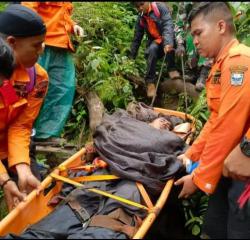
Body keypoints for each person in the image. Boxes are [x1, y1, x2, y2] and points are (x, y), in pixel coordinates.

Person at [174, 2, 250, 238]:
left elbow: (228, 127)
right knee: (213, 228)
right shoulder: (220, 66)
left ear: (220, 26)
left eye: (198, 33)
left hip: (244, 166)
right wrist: (192, 154)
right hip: (228, 165)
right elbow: (215, 120)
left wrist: (199, 178)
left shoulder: (239, 62)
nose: (194, 41)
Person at [0, 4, 48, 211]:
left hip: (10, 148)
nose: (42, 50)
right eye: (36, 45)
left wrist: (22, 167)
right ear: (12, 43)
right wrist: (4, 180)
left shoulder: (37, 78)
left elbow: (21, 125)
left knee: (31, 196)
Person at [21, 2, 84, 143]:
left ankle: (47, 133)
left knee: (63, 88)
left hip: (61, 44)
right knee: (30, 86)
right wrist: (33, 37)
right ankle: (22, 131)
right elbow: (27, 10)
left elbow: (61, 14)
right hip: (41, 42)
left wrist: (73, 26)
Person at [129, 2, 181, 98]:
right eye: (137, 7)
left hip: (166, 38)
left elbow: (168, 26)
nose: (140, 8)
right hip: (156, 42)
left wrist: (167, 43)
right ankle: (150, 83)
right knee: (152, 49)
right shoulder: (141, 18)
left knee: (169, 42)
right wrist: (131, 57)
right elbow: (137, 38)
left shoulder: (160, 8)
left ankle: (172, 69)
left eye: (141, 4)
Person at [174, 2, 212, 92]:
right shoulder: (184, 4)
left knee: (205, 38)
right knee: (191, 38)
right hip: (192, 28)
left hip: (209, 28)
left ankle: (204, 74)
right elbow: (179, 25)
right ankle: (191, 71)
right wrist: (180, 44)